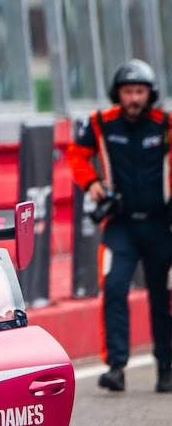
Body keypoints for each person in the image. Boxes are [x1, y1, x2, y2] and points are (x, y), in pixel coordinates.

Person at [66, 58, 172, 393]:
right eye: (128, 91)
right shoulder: (100, 122)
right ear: (118, 93)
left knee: (164, 295)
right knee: (113, 287)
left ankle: (166, 367)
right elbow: (75, 154)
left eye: (140, 91)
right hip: (120, 224)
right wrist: (92, 184)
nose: (134, 98)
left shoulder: (166, 124)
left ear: (150, 94)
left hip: (161, 224)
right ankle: (115, 366)